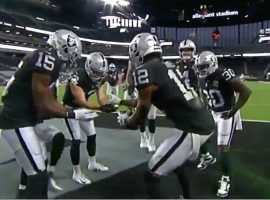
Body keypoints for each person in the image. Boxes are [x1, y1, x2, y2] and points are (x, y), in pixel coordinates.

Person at [117, 32, 216, 198]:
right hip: (202, 121)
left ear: (137, 51)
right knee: (176, 162)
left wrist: (127, 122)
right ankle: (187, 197)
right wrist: (120, 103)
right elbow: (145, 100)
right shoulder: (167, 66)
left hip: (191, 128)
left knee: (151, 175)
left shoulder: (144, 71)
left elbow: (141, 112)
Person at [0, 29, 95, 199]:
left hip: (27, 117)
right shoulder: (47, 57)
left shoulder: (46, 58)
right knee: (37, 175)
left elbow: (46, 105)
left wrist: (68, 112)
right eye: (74, 52)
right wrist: (73, 114)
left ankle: (26, 189)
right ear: (66, 47)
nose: (74, 57)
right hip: (17, 119)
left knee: (40, 168)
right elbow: (45, 103)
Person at [195, 51, 251, 197]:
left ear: (212, 63)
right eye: (199, 66)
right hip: (214, 112)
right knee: (199, 134)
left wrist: (234, 110)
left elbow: (246, 91)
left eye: (204, 66)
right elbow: (203, 92)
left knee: (223, 147)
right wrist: (205, 107)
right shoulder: (202, 77)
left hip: (226, 113)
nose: (201, 69)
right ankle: (207, 157)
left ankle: (225, 179)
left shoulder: (223, 74)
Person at [63, 52, 116, 185]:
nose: (99, 76)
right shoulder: (77, 77)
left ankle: (92, 163)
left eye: (101, 73)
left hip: (82, 108)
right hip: (71, 109)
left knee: (92, 135)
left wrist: (107, 105)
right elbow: (81, 101)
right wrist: (100, 108)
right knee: (76, 139)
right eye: (96, 72)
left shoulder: (100, 79)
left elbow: (101, 97)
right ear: (89, 68)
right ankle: (77, 173)